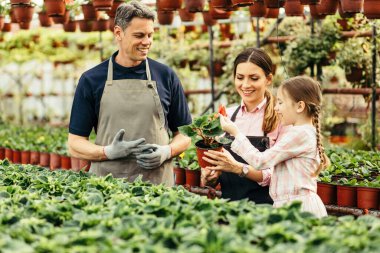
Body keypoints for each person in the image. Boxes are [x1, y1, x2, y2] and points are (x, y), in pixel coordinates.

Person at [67, 1, 191, 186]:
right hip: (107, 188)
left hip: (158, 190)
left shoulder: (166, 76)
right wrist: (107, 152)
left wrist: (167, 151)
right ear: (118, 33)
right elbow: (75, 144)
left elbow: (185, 133)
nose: (147, 42)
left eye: (150, 35)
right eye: (139, 35)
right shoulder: (91, 80)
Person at [205, 76, 329, 218]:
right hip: (291, 207)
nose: (276, 108)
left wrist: (236, 132)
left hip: (299, 210)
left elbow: (261, 161)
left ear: (300, 106)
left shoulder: (299, 134)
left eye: (281, 103)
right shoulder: (302, 132)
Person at [202, 48, 281, 204]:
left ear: (269, 79)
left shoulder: (280, 118)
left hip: (266, 210)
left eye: (254, 78)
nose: (245, 85)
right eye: (240, 77)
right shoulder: (227, 117)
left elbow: (277, 175)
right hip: (229, 208)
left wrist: (237, 168)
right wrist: (211, 177)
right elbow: (216, 169)